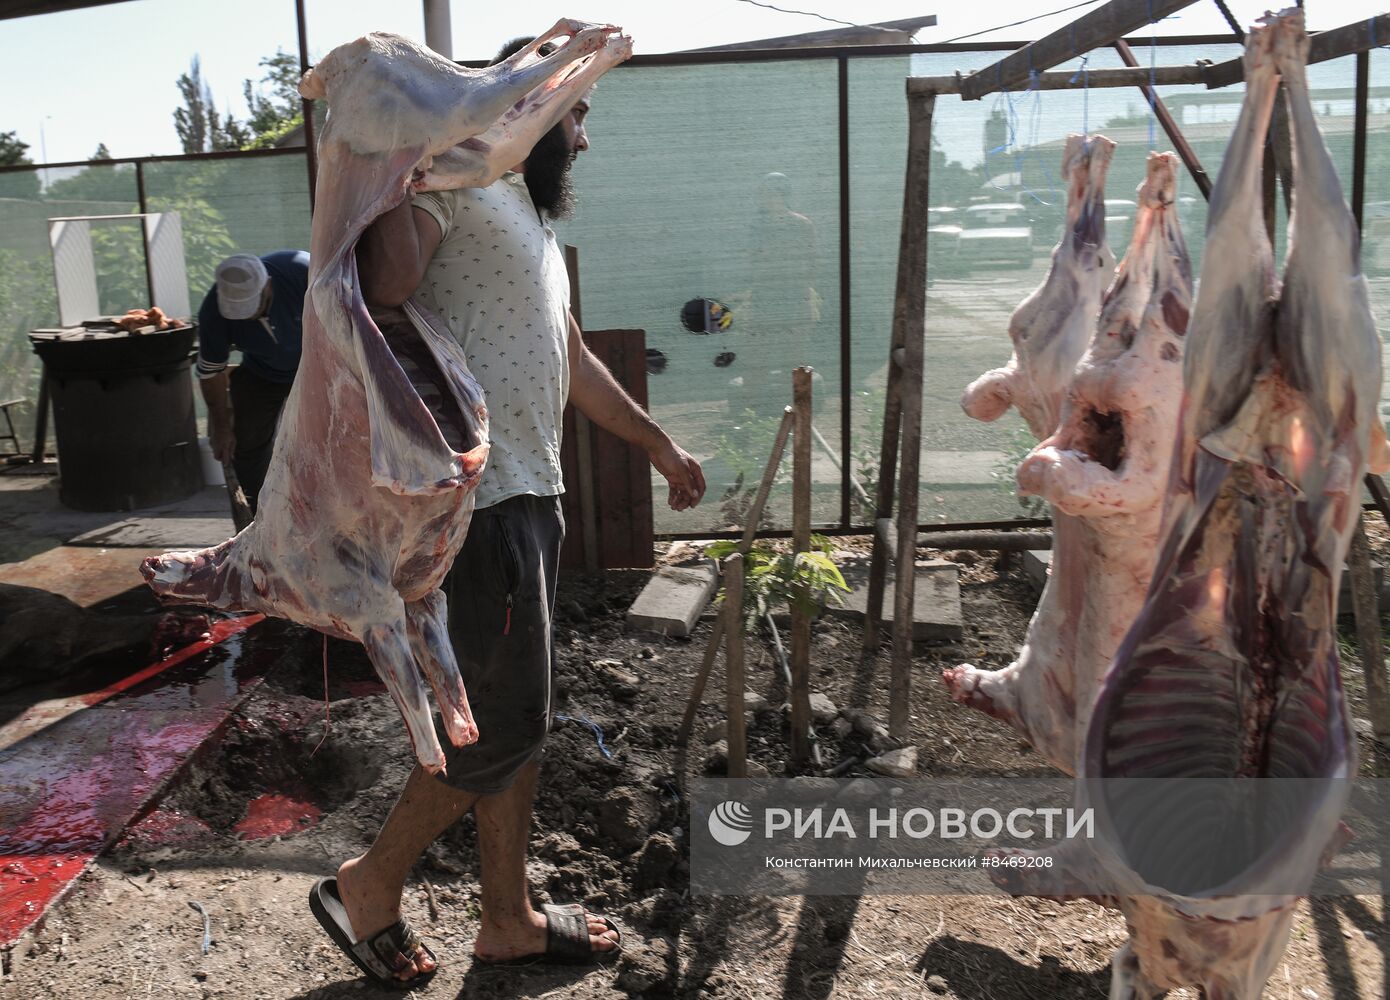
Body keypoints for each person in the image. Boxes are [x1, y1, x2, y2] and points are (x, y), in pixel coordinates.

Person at [311, 37, 705, 986]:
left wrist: (654, 442)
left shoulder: (521, 208)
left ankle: (506, 917)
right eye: (578, 115)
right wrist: (405, 154)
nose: (584, 137)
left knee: (508, 717)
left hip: (531, 492)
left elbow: (567, 356)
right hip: (474, 501)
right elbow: (391, 281)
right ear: (526, 105)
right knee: (506, 719)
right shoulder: (448, 181)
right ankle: (368, 883)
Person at [195, 250, 310, 516]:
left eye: (252, 307)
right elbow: (211, 372)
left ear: (267, 285)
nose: (247, 318)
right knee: (245, 446)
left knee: (322, 443)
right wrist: (222, 428)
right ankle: (257, 519)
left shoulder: (304, 273)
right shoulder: (213, 311)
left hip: (317, 366)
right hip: (262, 371)